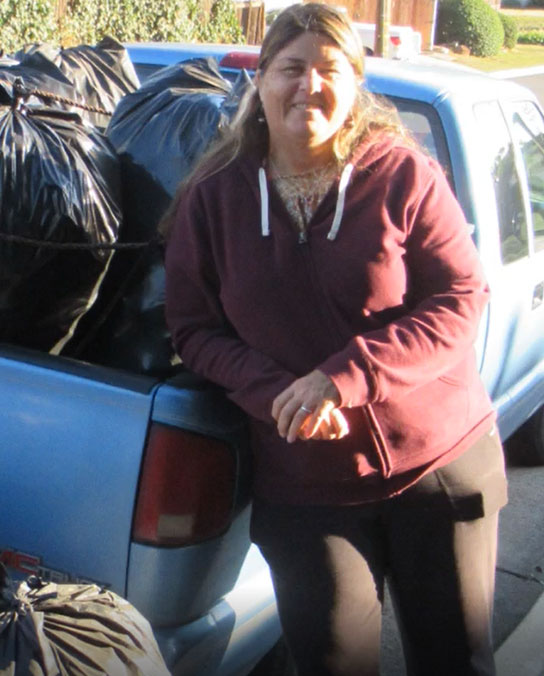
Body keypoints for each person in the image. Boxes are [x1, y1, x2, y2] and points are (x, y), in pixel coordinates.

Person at [162, 4, 507, 675]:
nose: (309, 86)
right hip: (307, 490)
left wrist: (345, 377)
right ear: (260, 81)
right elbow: (193, 327)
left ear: (356, 86)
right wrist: (274, 393)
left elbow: (462, 298)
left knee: (457, 664)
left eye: (330, 70)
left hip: (437, 466)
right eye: (292, 68)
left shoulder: (402, 174)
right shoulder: (214, 197)